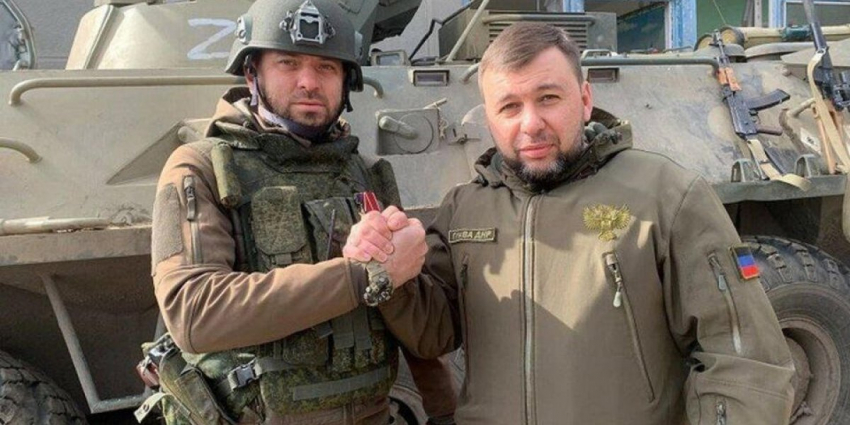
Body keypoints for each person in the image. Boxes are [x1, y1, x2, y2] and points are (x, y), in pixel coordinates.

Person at [344, 22, 795, 424]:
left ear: (584, 99)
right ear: (489, 118)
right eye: (509, 107)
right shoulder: (465, 208)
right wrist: (390, 270)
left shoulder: (667, 195)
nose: (531, 124)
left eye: (548, 98)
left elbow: (745, 360)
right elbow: (433, 334)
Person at [145, 0, 454, 423]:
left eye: (326, 67)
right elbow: (194, 313)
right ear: (252, 73)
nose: (308, 82)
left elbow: (423, 341)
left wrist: (445, 411)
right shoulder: (201, 167)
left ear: (346, 80)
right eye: (288, 63)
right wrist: (364, 275)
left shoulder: (365, 173)